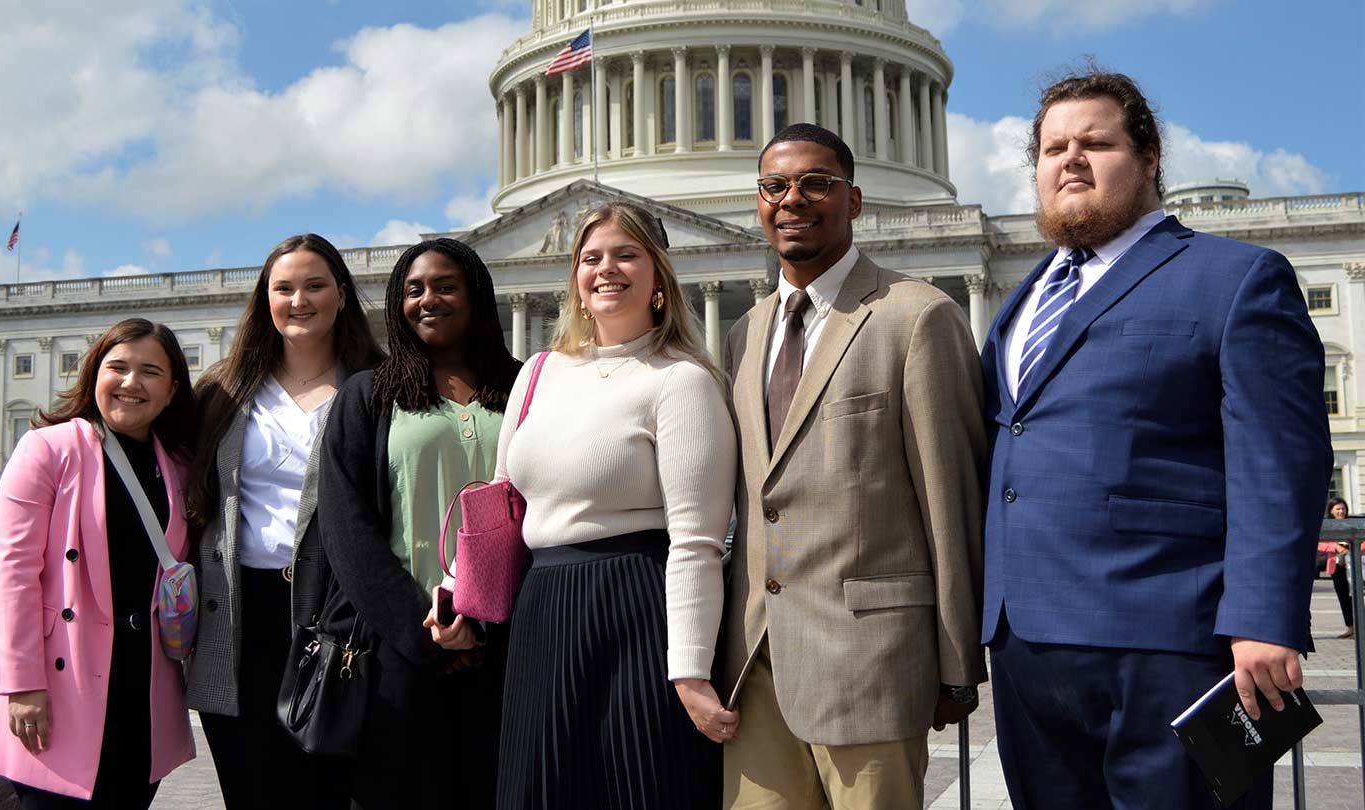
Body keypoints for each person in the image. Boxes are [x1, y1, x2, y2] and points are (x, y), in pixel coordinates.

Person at [979, 69, 1334, 809]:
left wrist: (1266, 621)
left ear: (1149, 159)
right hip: (1029, 654)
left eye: (1095, 143)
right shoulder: (1021, 301)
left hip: (1173, 644)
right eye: (1052, 149)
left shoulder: (1235, 277)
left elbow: (1281, 462)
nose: (1069, 160)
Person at [716, 123, 987, 809]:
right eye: (775, 187)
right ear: (758, 202)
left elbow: (950, 499)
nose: (793, 201)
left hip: (870, 662)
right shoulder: (743, 333)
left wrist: (957, 662)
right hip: (757, 666)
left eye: (816, 183)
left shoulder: (917, 316)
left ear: (855, 200)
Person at [485, 201, 735, 809]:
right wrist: (460, 589)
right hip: (542, 607)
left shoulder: (682, 379)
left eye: (626, 255)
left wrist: (690, 667)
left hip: (636, 606)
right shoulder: (538, 372)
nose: (606, 269)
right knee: (536, 790)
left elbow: (697, 539)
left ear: (659, 276)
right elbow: (502, 502)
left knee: (640, 786)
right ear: (573, 275)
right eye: (591, 257)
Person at [0, 319, 197, 808]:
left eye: (150, 371)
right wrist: (21, 683)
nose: (131, 383)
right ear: (94, 375)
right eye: (118, 367)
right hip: (61, 681)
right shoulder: (48, 449)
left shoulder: (177, 465)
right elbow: (14, 575)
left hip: (142, 681)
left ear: (171, 390)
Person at [314, 237, 521, 809]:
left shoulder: (528, 388)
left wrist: (487, 630)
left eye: (445, 286)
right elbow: (345, 525)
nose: (428, 299)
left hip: (511, 647)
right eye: (413, 289)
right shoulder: (369, 394)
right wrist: (420, 630)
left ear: (477, 295)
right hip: (398, 650)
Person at [185, 233, 384, 809]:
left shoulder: (378, 384)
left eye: (316, 285)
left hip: (335, 615)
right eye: (284, 288)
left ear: (342, 295)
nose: (300, 300)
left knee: (329, 788)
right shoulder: (223, 389)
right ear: (264, 300)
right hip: (240, 615)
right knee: (250, 790)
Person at [1329, 498, 1355, 638]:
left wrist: (1352, 548)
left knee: (1355, 597)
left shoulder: (1352, 524)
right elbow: (1320, 543)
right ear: (1331, 510)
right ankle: (1350, 628)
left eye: (1343, 509)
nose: (1341, 511)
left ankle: (1359, 626)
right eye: (1338, 509)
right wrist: (1335, 547)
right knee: (1343, 597)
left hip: (1354, 564)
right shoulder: (1327, 525)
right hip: (1336, 566)